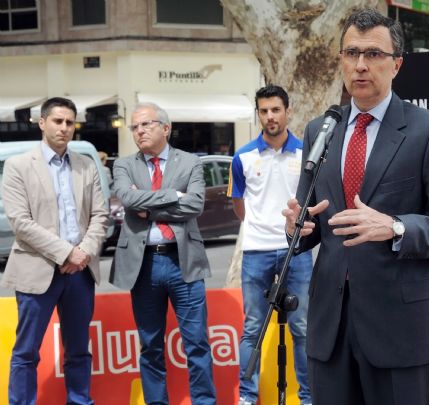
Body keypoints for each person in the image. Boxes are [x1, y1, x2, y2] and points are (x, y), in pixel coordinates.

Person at [282, 9, 429, 404]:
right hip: (330, 326)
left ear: (396, 64)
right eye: (351, 53)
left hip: (398, 327)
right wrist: (296, 230)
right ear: (340, 60)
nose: (360, 65)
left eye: (373, 54)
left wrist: (396, 227)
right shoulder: (322, 129)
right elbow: (309, 217)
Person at [1, 97, 109, 404]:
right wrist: (66, 253)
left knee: (78, 351)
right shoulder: (18, 166)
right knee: (26, 352)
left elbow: (100, 216)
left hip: (80, 273)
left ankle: (79, 400)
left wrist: (82, 253)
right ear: (42, 123)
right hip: (38, 270)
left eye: (69, 122)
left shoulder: (86, 166)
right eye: (58, 121)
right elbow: (21, 223)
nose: (64, 128)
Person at [109, 102, 216, 404]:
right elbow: (128, 199)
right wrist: (172, 197)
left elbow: (195, 205)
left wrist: (149, 208)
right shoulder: (124, 165)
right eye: (134, 127)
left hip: (184, 263)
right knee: (151, 345)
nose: (138, 131)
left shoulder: (190, 163)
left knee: (196, 343)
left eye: (146, 124)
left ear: (165, 128)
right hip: (144, 265)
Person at [229, 85, 313, 405]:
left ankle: (307, 398)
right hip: (256, 250)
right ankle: (247, 398)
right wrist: (257, 224)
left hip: (298, 250)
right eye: (263, 111)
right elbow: (239, 205)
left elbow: (312, 200)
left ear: (287, 111)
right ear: (258, 114)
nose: (270, 117)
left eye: (275, 110)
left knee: (302, 328)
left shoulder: (306, 153)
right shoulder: (243, 156)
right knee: (252, 328)